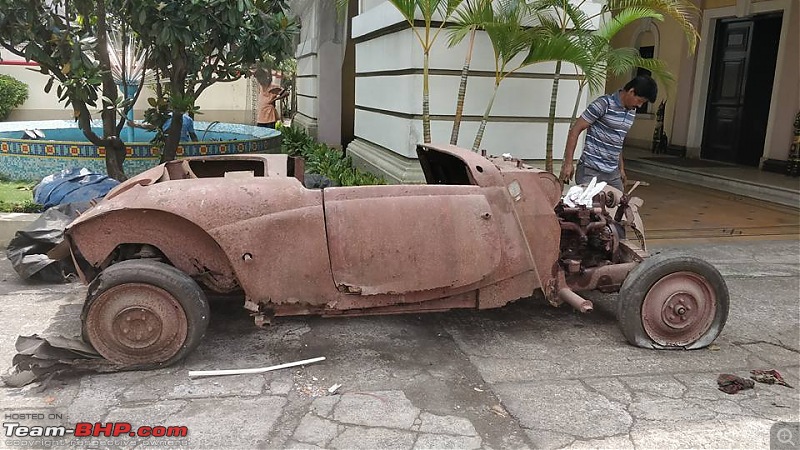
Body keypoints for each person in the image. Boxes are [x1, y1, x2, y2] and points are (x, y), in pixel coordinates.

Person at [559, 75, 658, 192]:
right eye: (640, 101)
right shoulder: (603, 104)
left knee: (619, 205)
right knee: (591, 207)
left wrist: (621, 168)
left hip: (612, 173)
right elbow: (575, 130)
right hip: (590, 169)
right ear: (631, 91)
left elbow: (617, 140)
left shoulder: (631, 112)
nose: (639, 105)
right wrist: (568, 164)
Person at [127, 113, 198, 142]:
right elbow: (193, 135)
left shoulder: (166, 116)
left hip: (168, 143)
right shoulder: (188, 119)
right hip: (183, 144)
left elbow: (152, 127)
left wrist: (136, 125)